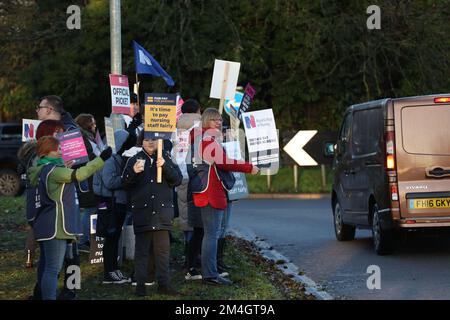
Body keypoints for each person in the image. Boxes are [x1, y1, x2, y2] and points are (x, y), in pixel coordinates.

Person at [28, 136, 111, 300]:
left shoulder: (42, 169)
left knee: (48, 267)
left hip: (46, 225)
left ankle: (46, 295)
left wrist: (62, 167)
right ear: (48, 151)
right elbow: (80, 174)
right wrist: (101, 159)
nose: (61, 151)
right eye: (58, 149)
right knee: (53, 269)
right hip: (57, 227)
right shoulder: (55, 171)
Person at [188, 108, 259, 285]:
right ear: (206, 122)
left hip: (208, 191)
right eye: (214, 120)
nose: (219, 123)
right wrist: (249, 167)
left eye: (220, 120)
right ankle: (210, 275)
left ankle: (210, 272)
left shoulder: (203, 138)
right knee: (212, 235)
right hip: (211, 191)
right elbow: (224, 162)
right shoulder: (206, 140)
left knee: (210, 234)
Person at [122, 134, 182, 297]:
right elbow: (125, 183)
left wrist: (165, 167)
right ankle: (140, 286)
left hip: (162, 214)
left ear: (159, 142)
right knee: (142, 252)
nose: (150, 143)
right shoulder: (134, 159)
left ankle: (164, 284)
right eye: (146, 140)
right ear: (141, 142)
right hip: (143, 213)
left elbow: (177, 180)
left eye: (153, 140)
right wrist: (133, 172)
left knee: (163, 251)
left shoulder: (165, 158)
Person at [93, 129, 131, 284]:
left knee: (114, 238)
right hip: (111, 204)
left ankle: (114, 270)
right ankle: (109, 272)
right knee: (111, 238)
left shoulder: (114, 157)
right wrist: (126, 179)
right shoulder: (109, 159)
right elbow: (109, 182)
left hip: (116, 203)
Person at [171, 99, 201, 269]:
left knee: (184, 212)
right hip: (197, 173)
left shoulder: (174, 128)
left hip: (179, 174)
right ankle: (194, 255)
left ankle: (187, 248)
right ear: (198, 110)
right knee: (197, 216)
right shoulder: (200, 126)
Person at [74, 114, 102, 251]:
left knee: (92, 208)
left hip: (91, 176)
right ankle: (84, 240)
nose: (95, 126)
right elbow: (86, 158)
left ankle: (88, 239)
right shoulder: (81, 137)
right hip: (87, 177)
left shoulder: (87, 136)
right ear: (86, 124)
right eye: (93, 123)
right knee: (90, 208)